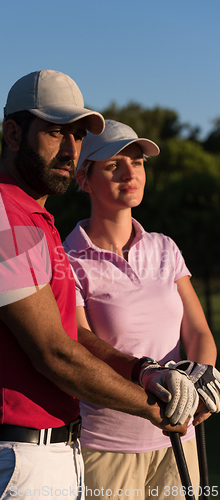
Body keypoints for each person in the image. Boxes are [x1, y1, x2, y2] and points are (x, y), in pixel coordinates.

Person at [0, 71, 200, 500]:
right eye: (57, 132)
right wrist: (156, 408)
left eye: (77, 136)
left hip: (51, 454)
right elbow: (53, 354)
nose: (70, 150)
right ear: (13, 133)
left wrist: (144, 371)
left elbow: (70, 332)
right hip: (13, 461)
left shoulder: (37, 223)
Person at [63, 119, 220, 499]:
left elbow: (197, 332)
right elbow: (80, 342)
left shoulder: (165, 247)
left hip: (178, 440)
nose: (130, 172)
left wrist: (202, 378)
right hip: (106, 446)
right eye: (114, 164)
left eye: (138, 162)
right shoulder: (68, 258)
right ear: (85, 180)